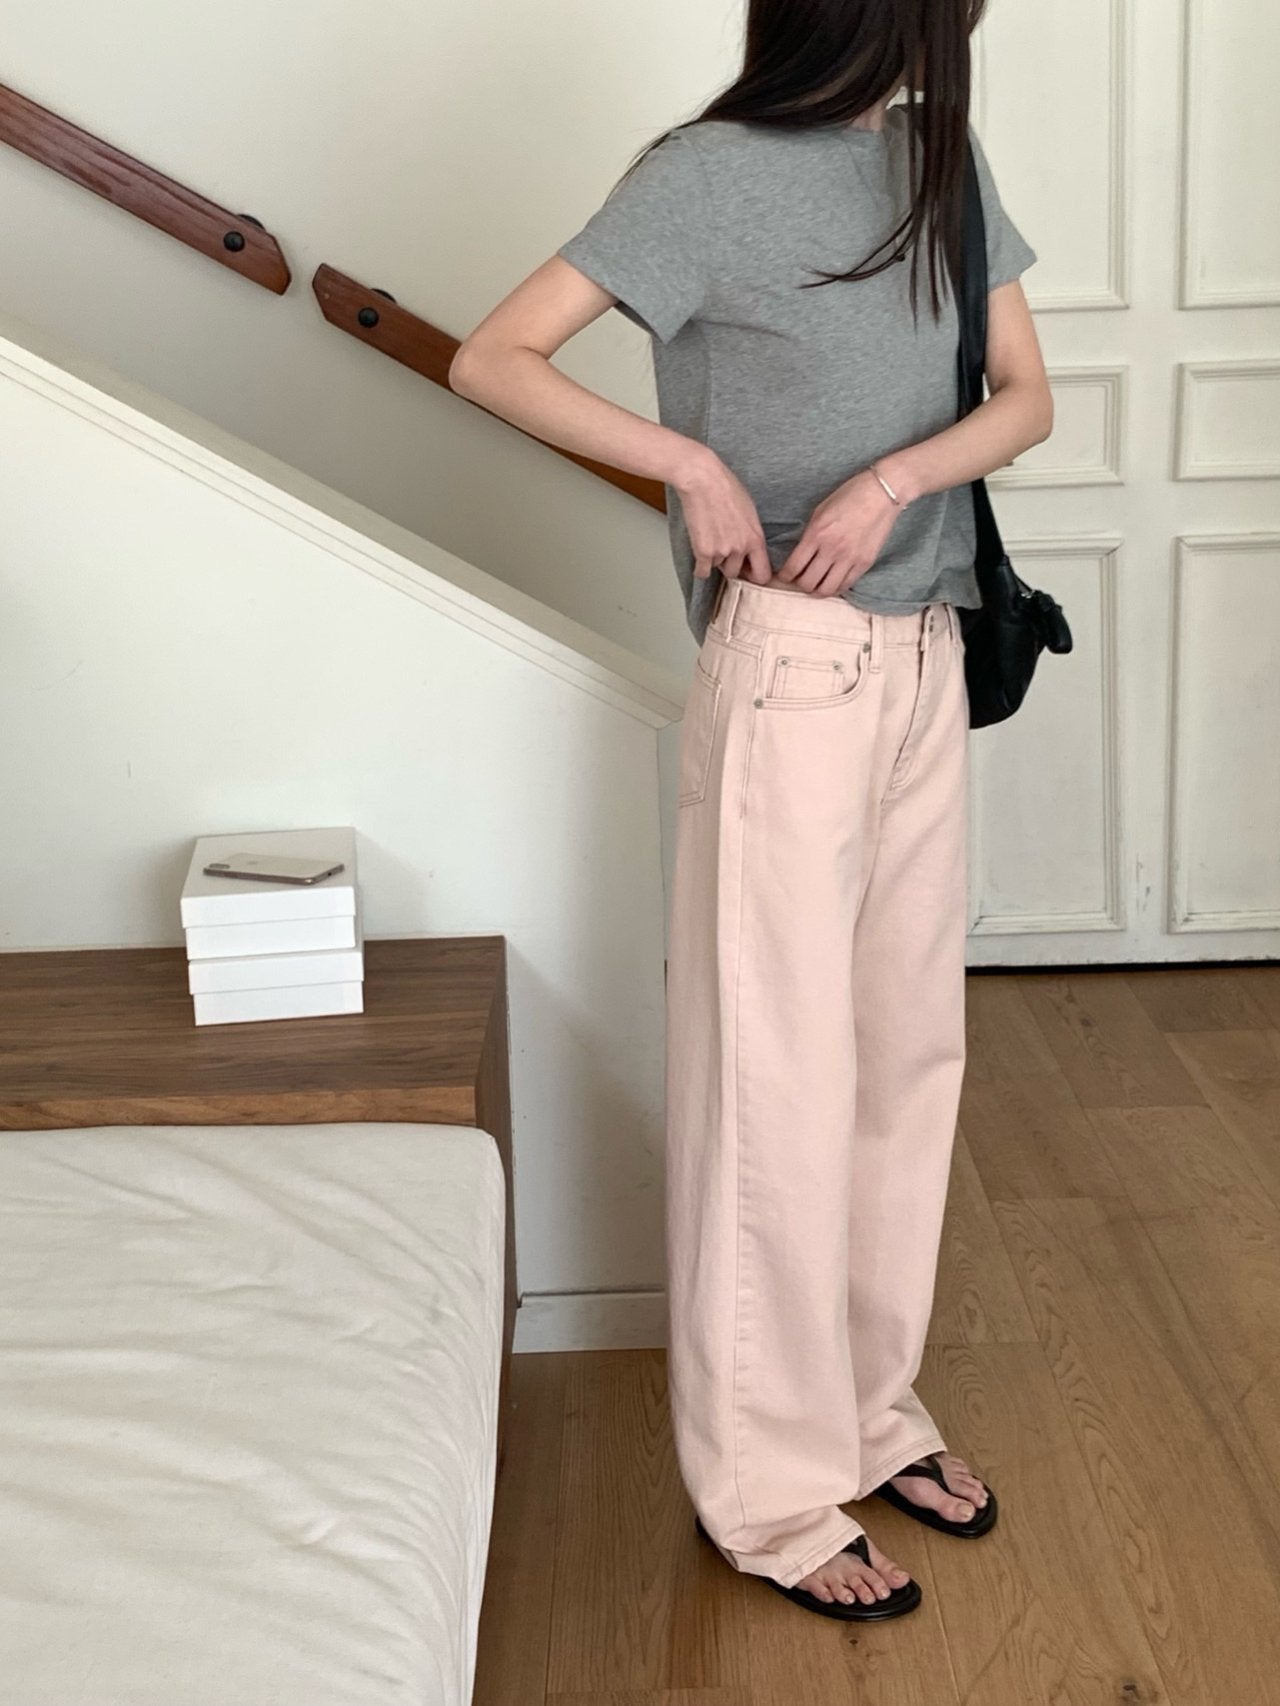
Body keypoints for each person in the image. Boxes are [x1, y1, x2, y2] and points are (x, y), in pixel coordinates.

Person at [451, 0, 1052, 1624]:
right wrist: (691, 464)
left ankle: (870, 1410)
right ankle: (770, 1487)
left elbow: (1025, 397)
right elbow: (491, 355)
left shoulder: (940, 158)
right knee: (773, 1079)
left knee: (905, 1061)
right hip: (791, 662)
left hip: (926, 652)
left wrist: (893, 480)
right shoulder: (704, 176)